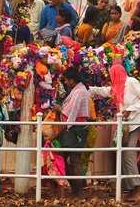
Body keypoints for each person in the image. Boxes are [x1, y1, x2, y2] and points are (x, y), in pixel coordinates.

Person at [88, 56, 140, 199]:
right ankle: (128, 187)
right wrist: (89, 89)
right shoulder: (116, 87)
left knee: (128, 153)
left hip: (134, 123)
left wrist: (132, 109)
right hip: (124, 125)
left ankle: (136, 187)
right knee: (121, 152)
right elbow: (104, 90)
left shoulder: (131, 82)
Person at [53, 67, 90, 196]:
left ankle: (78, 189)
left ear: (72, 80)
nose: (66, 83)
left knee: (73, 159)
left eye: (67, 80)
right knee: (68, 158)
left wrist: (59, 110)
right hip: (74, 127)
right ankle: (77, 188)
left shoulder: (79, 91)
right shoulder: (77, 89)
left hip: (75, 128)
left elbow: (72, 111)